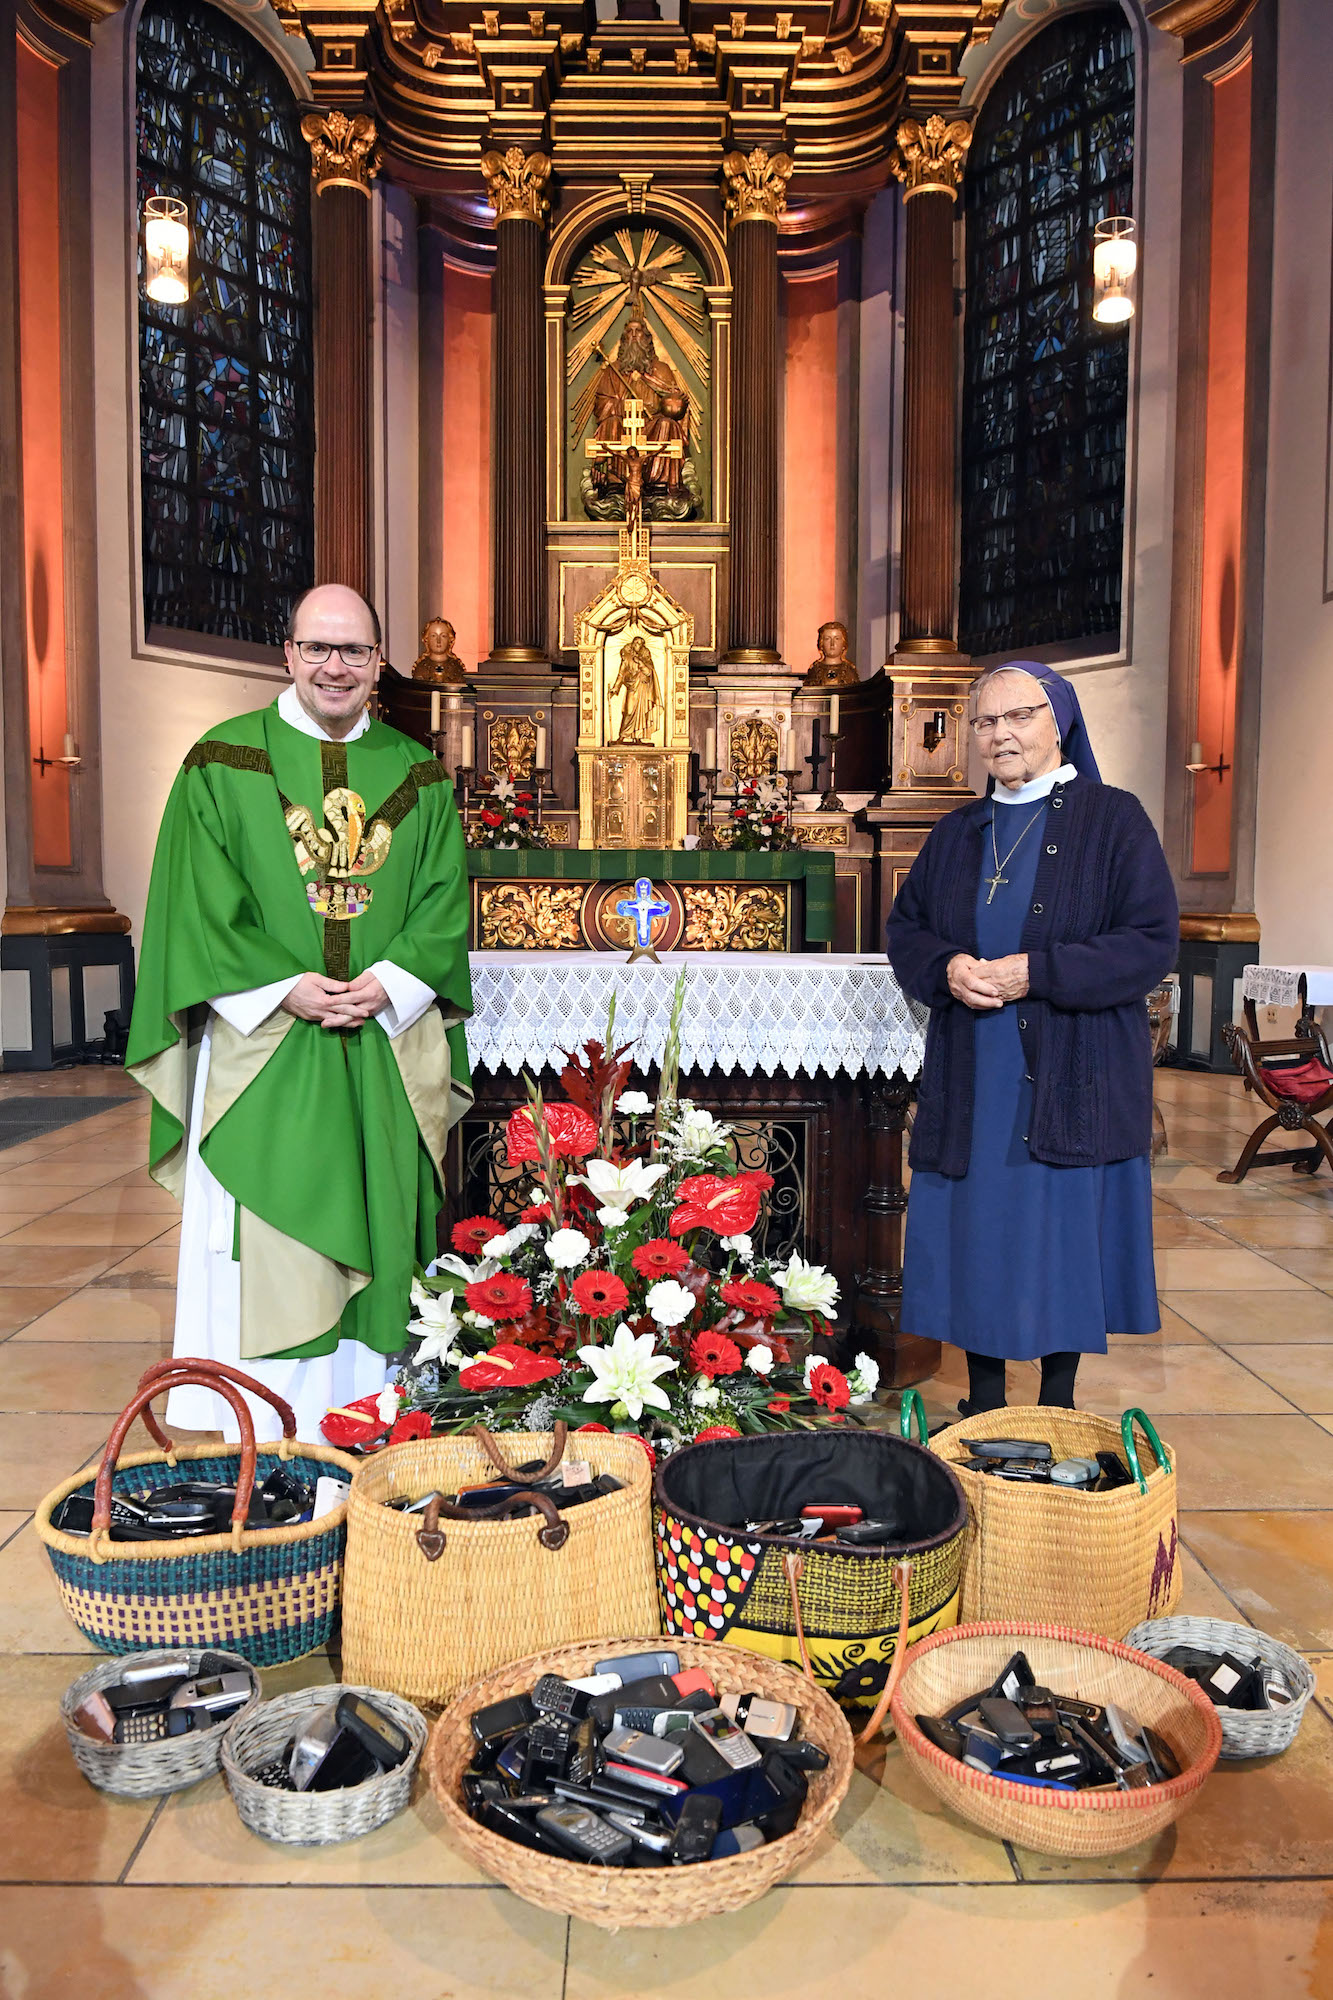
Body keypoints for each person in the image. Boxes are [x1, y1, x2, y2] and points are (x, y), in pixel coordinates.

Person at [126, 584, 473, 1440]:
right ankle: (261, 1418)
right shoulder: (223, 759)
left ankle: (364, 1412)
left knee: (379, 1207)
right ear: (285, 654)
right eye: (317, 648)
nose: (335, 667)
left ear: (377, 661)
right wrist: (285, 986)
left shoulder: (417, 770)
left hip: (378, 1038)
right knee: (268, 1232)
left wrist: (391, 980)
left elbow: (442, 897)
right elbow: (195, 901)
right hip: (266, 1040)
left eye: (353, 650)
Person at [886, 663, 1178, 1415]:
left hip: (1069, 1067)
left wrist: (1034, 972)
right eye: (984, 722)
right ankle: (982, 1397)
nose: (999, 734)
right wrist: (946, 967)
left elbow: (1149, 941)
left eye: (1017, 717)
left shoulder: (1114, 819)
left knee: (1057, 1228)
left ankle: (1057, 1398)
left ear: (1059, 723)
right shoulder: (956, 831)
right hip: (973, 1068)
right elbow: (906, 929)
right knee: (978, 1223)